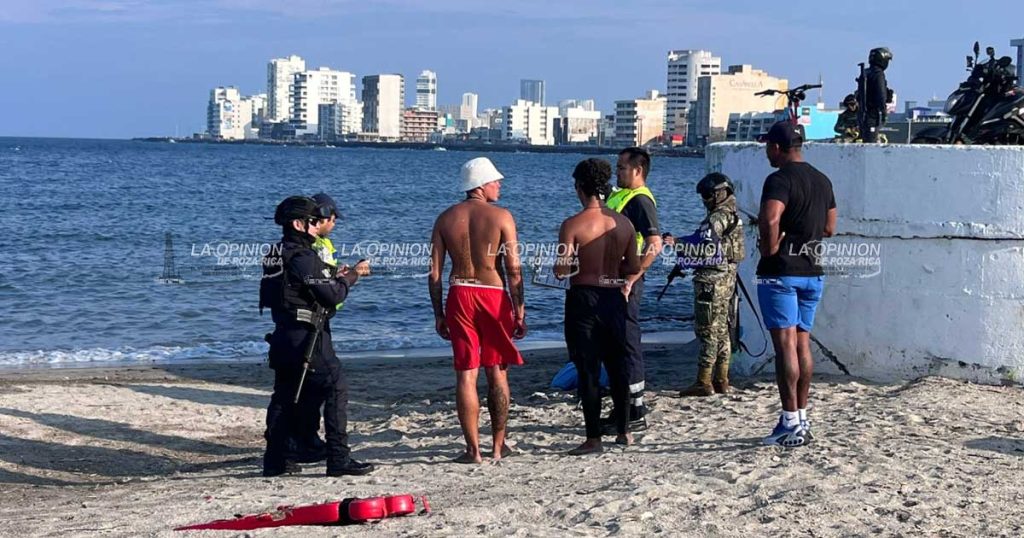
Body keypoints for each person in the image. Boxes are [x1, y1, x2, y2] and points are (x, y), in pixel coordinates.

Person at [259, 196, 374, 476]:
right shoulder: (302, 255)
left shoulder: (275, 253)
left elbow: (300, 285)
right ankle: (338, 458)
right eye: (312, 221)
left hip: (283, 336)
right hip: (307, 337)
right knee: (335, 386)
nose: (317, 226)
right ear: (298, 224)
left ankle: (275, 461)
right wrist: (352, 277)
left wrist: (333, 274)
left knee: (284, 396)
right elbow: (331, 294)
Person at [428, 157, 527, 463]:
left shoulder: (445, 218)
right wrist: (520, 309)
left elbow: (434, 273)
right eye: (495, 181)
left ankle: (473, 451)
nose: (499, 185)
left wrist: (438, 313)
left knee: (466, 375)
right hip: (493, 295)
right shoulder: (502, 217)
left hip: (459, 293)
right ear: (482, 185)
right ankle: (498, 446)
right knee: (497, 373)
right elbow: (513, 269)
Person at [756, 121, 837, 448]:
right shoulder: (822, 179)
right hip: (812, 271)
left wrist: (770, 247)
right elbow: (830, 227)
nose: (766, 153)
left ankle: (789, 422)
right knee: (802, 344)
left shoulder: (779, 179)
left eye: (767, 147)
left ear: (777, 147)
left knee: (785, 346)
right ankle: (801, 417)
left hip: (781, 272)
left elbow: (770, 218)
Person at [556, 158, 641, 455]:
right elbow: (633, 266)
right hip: (615, 297)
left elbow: (562, 269)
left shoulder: (572, 225)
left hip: (584, 301)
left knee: (588, 369)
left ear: (580, 187)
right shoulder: (624, 223)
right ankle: (624, 431)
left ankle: (593, 438)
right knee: (618, 367)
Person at [605, 147, 663, 432]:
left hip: (627, 280)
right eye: (616, 167)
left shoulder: (640, 200)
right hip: (611, 278)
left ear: (638, 171)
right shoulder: (619, 195)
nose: (617, 172)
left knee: (627, 341)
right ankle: (622, 405)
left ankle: (636, 409)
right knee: (614, 343)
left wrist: (633, 276)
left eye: (622, 168)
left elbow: (655, 243)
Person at [679, 172, 745, 397]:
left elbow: (704, 248)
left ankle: (704, 381)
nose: (704, 200)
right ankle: (722, 379)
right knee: (723, 329)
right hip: (727, 279)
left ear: (720, 194)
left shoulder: (717, 219)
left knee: (707, 330)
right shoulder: (733, 215)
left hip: (711, 282)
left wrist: (677, 245)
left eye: (707, 195)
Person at [858, 47, 893, 143]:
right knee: (871, 143)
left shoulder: (866, 72)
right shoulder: (878, 74)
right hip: (872, 114)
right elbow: (881, 95)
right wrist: (884, 111)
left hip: (862, 114)